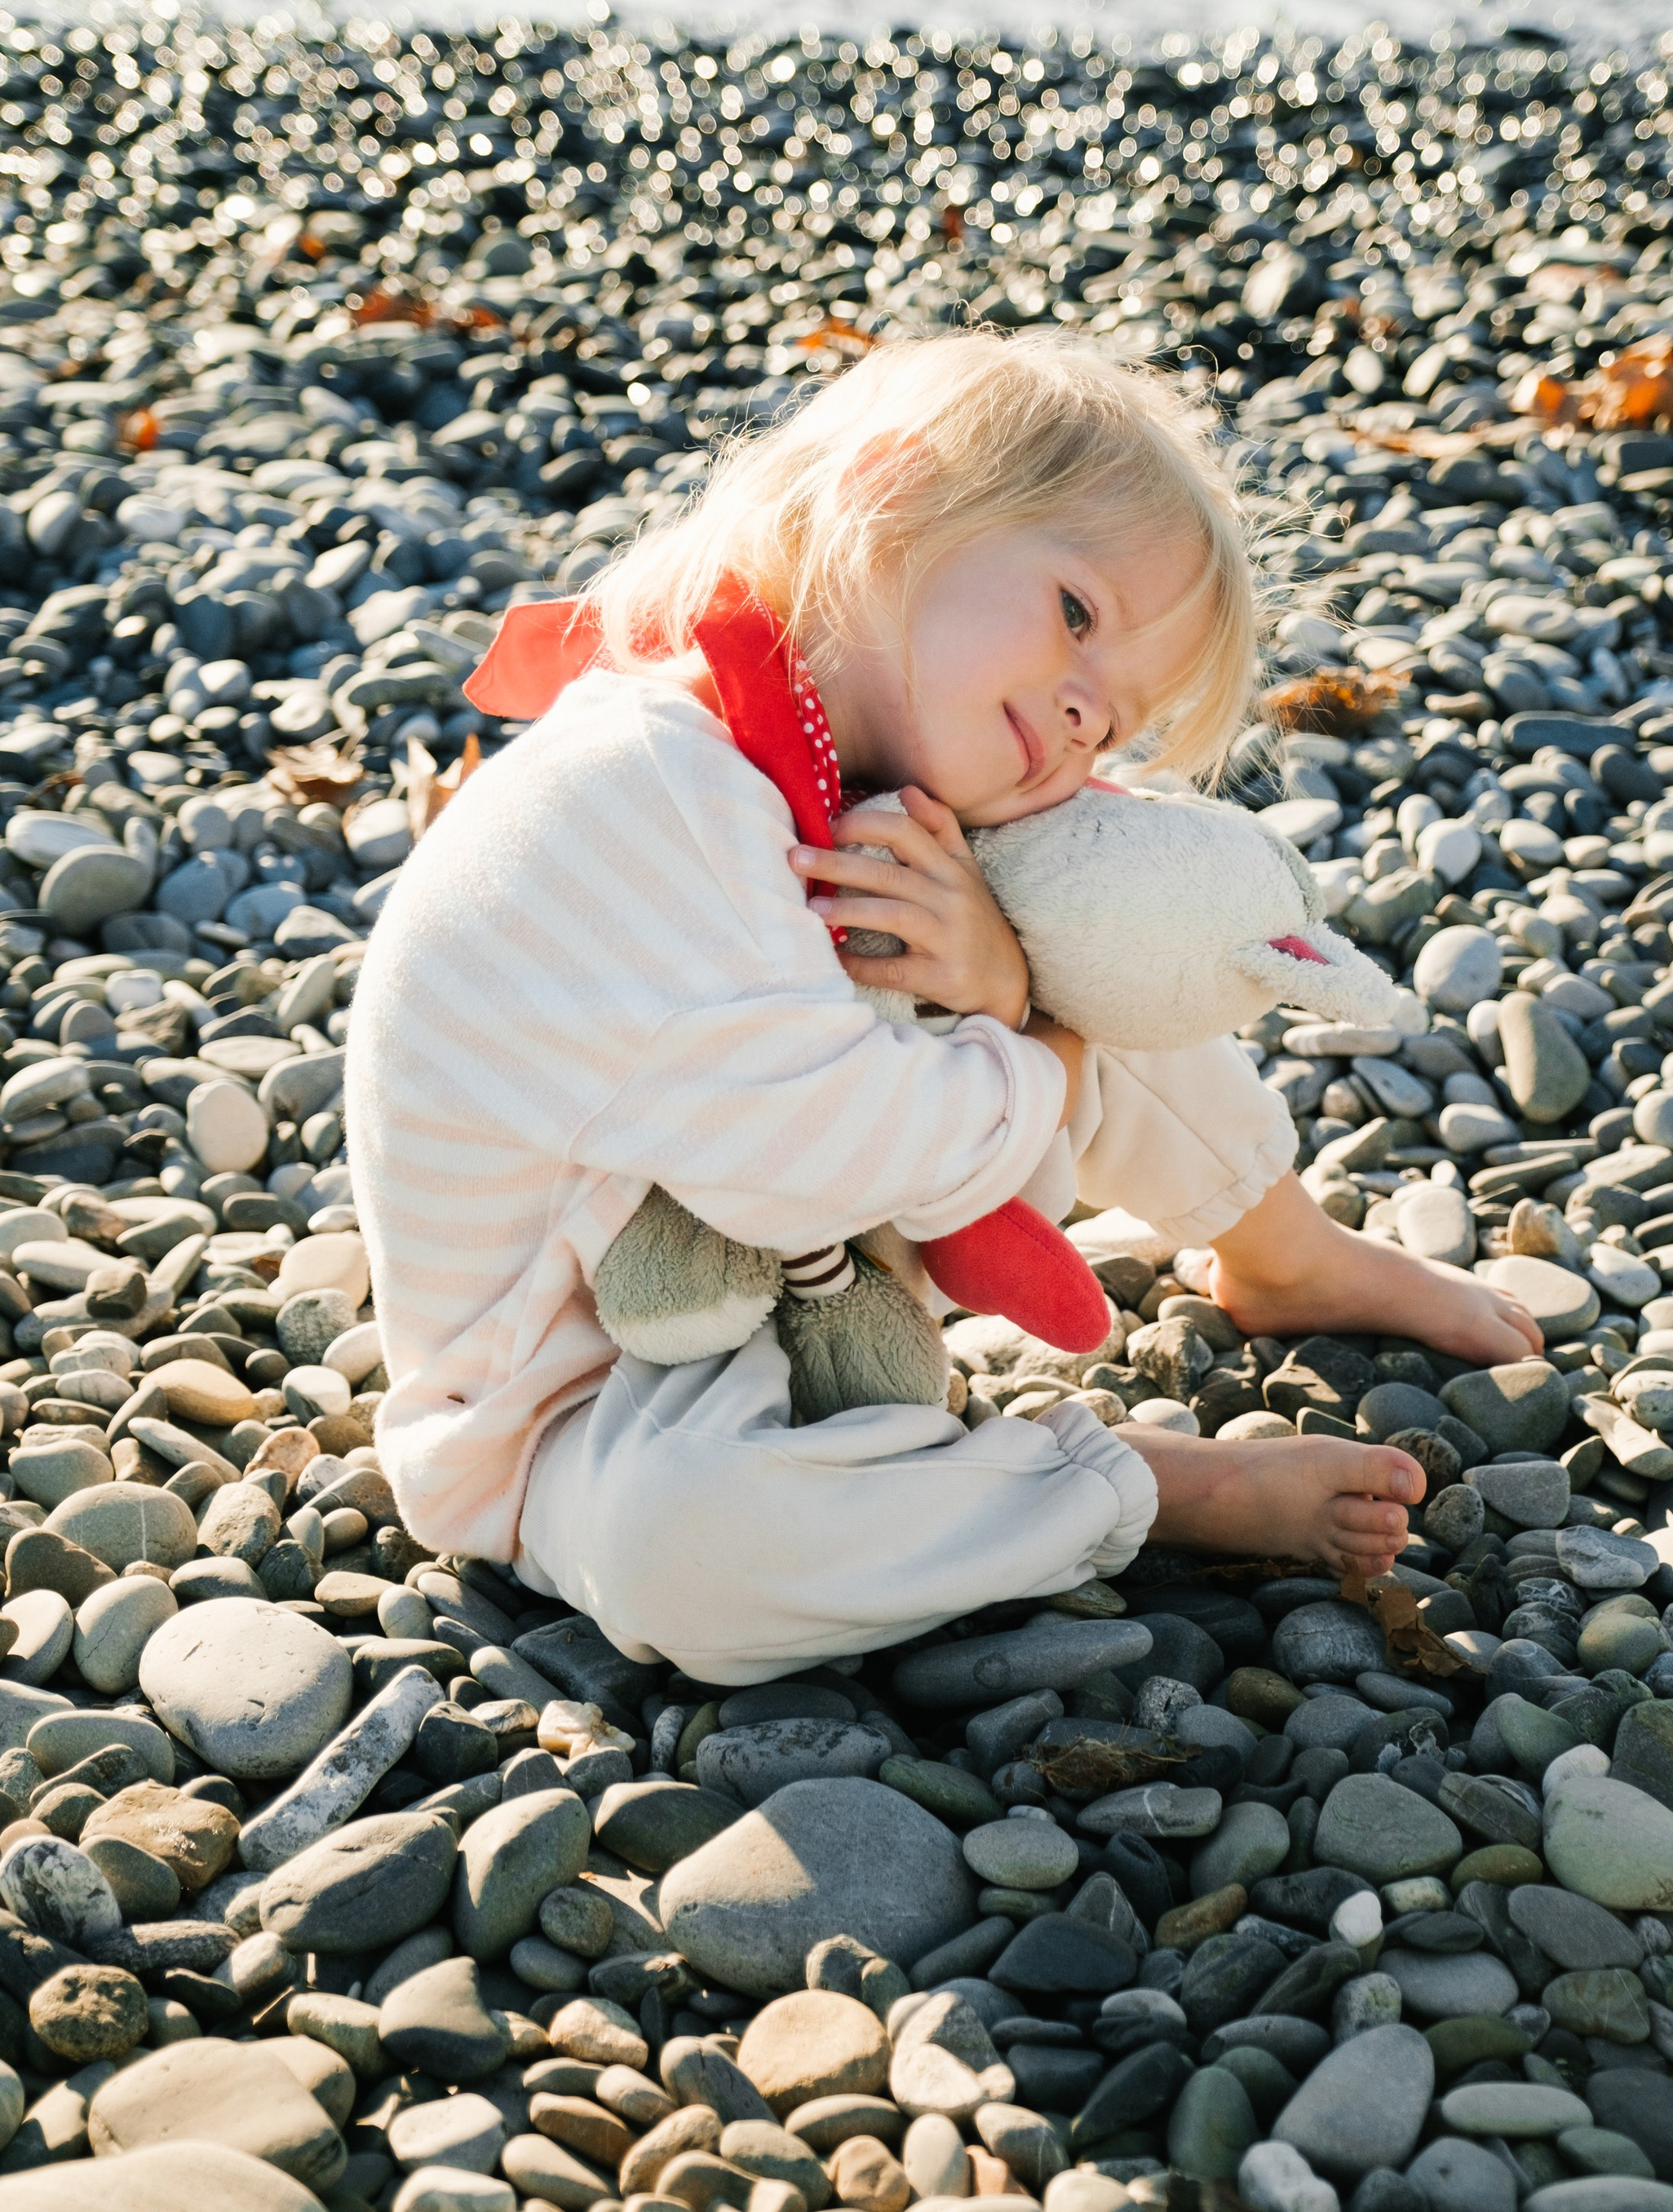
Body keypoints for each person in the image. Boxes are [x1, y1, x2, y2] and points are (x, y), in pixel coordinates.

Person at [348, 330, 1539, 1682]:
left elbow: (894, 1142)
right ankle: (1126, 1491)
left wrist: (1024, 982)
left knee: (1090, 912)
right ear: (895, 499)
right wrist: (1022, 1022)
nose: (1086, 716)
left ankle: (1283, 1249)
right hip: (574, 1413)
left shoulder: (822, 759)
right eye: (1076, 615)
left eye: (1120, 720)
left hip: (792, 1267)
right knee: (689, 1557)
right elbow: (824, 1171)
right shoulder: (649, 797)